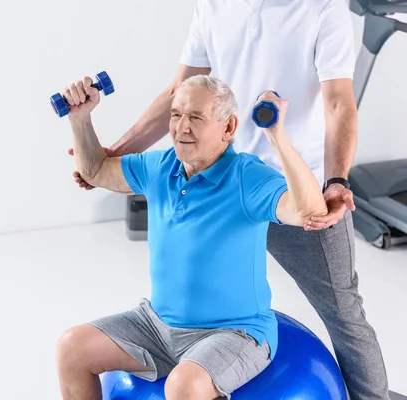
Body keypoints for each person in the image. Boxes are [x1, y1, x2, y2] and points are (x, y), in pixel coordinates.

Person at [68, 1, 390, 399]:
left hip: (293, 187)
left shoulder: (323, 8)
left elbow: (339, 100)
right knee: (193, 299)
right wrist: (110, 155)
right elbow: (177, 91)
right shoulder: (213, 5)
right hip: (217, 180)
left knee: (344, 314)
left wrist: (336, 179)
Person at [56, 74, 328, 400]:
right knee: (71, 347)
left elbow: (309, 210)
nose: (181, 127)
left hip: (234, 332)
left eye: (196, 118)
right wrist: (80, 118)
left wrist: (277, 136)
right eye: (176, 115)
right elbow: (96, 170)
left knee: (183, 386)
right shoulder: (160, 166)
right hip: (156, 324)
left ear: (228, 129)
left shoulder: (246, 176)